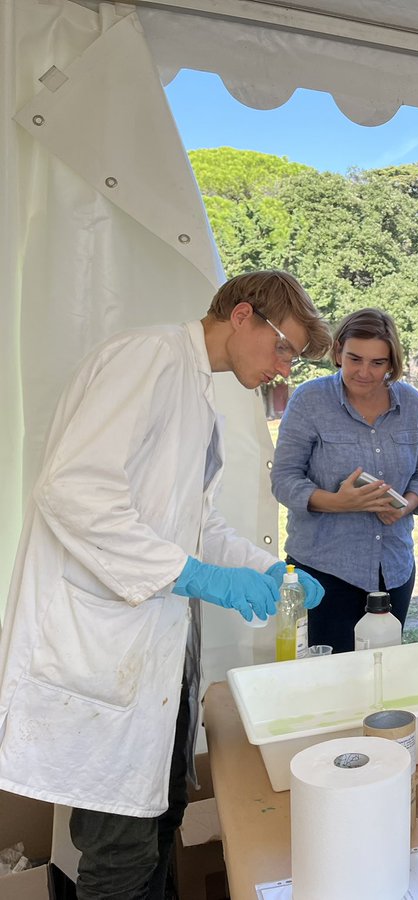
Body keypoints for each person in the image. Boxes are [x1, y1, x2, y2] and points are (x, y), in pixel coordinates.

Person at [0, 271, 331, 899]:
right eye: (283, 347)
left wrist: (265, 567)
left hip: (159, 649)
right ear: (242, 315)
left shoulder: (194, 391)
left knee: (161, 820)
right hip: (103, 648)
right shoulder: (147, 358)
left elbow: (193, 522)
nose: (285, 368)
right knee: (120, 852)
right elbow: (72, 492)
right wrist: (194, 576)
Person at [272, 308, 418, 652]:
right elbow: (283, 478)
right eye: (354, 359)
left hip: (393, 570)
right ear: (337, 353)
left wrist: (409, 503)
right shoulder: (309, 401)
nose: (365, 372)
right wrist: (336, 502)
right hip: (323, 572)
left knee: (383, 674)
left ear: (392, 362)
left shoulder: (412, 404)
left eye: (378, 363)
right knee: (328, 681)